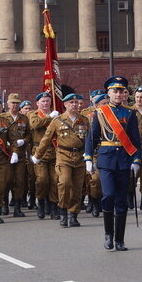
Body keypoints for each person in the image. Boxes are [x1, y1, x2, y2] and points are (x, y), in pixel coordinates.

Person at [85, 76, 141, 251]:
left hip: (124, 160)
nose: (118, 94)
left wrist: (136, 159)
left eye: (121, 91)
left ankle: (120, 239)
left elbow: (135, 139)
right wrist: (88, 157)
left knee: (121, 201)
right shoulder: (100, 113)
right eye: (114, 91)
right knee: (108, 195)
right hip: (106, 159)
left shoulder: (130, 113)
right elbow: (92, 137)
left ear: (125, 93)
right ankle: (108, 234)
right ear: (108, 93)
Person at [34, 93, 89, 227]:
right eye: (71, 102)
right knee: (64, 183)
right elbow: (46, 139)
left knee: (77, 187)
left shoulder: (84, 120)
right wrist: (37, 156)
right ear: (65, 104)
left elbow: (89, 140)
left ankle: (73, 214)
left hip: (80, 157)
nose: (74, 105)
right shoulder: (57, 120)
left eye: (76, 102)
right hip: (64, 156)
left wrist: (90, 158)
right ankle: (63, 211)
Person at [29, 92, 60, 219]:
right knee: (42, 180)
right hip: (39, 152)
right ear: (37, 103)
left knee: (54, 180)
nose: (46, 103)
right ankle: (41, 201)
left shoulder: (57, 116)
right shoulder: (33, 115)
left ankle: (53, 207)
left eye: (47, 101)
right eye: (43, 101)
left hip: (54, 151)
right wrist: (50, 118)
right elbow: (35, 125)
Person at [2, 94, 32, 217]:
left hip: (20, 154)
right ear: (8, 104)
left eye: (16, 103)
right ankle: (4, 204)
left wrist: (24, 141)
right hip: (6, 154)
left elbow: (29, 134)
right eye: (12, 103)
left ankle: (17, 207)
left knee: (20, 181)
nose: (14, 105)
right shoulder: (2, 118)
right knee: (6, 180)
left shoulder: (24, 118)